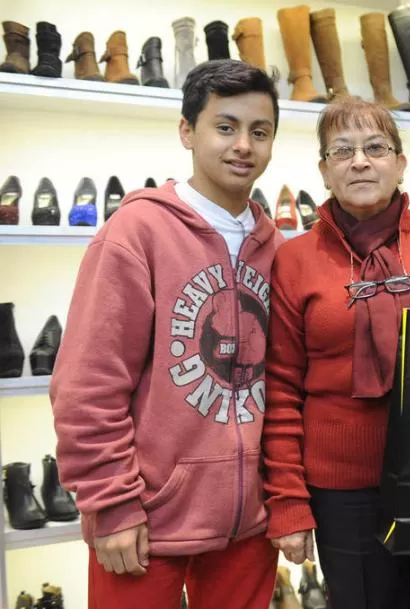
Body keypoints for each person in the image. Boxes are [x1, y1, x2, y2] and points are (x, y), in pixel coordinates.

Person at [50, 59, 284, 609]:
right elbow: (88, 382)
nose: (242, 145)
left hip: (250, 523)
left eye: (260, 131)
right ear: (187, 131)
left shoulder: (277, 247)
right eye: (224, 127)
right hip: (145, 520)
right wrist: (110, 504)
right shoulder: (135, 233)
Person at [262, 97, 410, 609]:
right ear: (325, 171)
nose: (360, 161)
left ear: (400, 162)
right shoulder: (295, 259)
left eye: (375, 147)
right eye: (342, 151)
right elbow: (280, 388)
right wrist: (288, 503)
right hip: (345, 490)